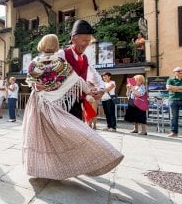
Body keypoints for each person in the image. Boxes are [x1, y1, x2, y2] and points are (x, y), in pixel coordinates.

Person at [23, 33, 123, 180]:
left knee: (39, 137)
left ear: (41, 45)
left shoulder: (34, 63)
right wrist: (92, 91)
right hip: (56, 105)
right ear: (56, 46)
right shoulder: (60, 63)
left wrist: (36, 86)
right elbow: (76, 80)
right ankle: (100, 155)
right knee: (71, 133)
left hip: (38, 104)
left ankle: (39, 168)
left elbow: (31, 81)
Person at [57, 19, 105, 120]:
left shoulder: (85, 58)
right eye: (84, 40)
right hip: (62, 102)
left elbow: (95, 75)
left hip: (78, 103)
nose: (87, 44)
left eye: (88, 41)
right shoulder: (62, 54)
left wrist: (101, 89)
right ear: (74, 39)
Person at [166, 67, 182, 137]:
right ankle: (174, 132)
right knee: (173, 117)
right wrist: (180, 88)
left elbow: (171, 88)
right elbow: (168, 88)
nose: (181, 72)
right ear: (174, 72)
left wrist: (174, 88)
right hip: (173, 99)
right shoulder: (170, 79)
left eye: (181, 71)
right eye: (179, 71)